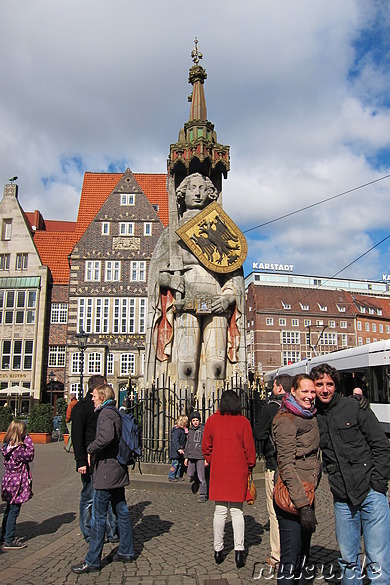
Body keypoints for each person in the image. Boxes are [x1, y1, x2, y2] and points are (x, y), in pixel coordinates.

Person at [146, 172, 246, 392]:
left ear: (211, 193)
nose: (198, 193)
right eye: (193, 188)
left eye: (203, 188)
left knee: (217, 366)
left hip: (216, 302)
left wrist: (228, 297)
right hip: (186, 303)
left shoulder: (220, 229)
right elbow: (156, 274)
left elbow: (233, 274)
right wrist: (170, 280)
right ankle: (181, 416)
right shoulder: (171, 234)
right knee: (186, 366)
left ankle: (214, 412)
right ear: (182, 193)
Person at [311, 363, 390, 584]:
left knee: (379, 561)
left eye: (329, 384)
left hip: (371, 493)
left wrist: (378, 484)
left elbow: (381, 445)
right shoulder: (312, 416)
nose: (325, 389)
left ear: (336, 386)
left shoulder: (354, 407)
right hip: (342, 499)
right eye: (320, 384)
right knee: (348, 560)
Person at [71, 384, 134, 574]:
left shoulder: (106, 413)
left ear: (103, 396)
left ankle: (92, 560)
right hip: (117, 470)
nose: (92, 399)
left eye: (94, 396)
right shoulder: (115, 411)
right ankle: (126, 551)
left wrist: (90, 449)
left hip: (106, 471)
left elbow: (106, 437)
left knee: (98, 516)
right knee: (121, 510)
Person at [272, 374, 321, 583]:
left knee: (303, 556)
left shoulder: (309, 414)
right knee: (291, 559)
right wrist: (303, 506)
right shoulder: (285, 420)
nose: (310, 396)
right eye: (305, 391)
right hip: (293, 497)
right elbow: (286, 466)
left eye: (312, 391)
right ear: (293, 391)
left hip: (307, 492)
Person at [202, 390, 256, 568]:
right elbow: (249, 448)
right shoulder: (243, 422)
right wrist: (249, 464)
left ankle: (218, 550)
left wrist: (211, 459)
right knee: (237, 512)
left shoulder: (212, 420)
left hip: (219, 469)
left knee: (219, 511)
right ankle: (239, 551)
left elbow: (206, 446)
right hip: (238, 469)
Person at [71, 374, 117, 543]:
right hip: (89, 461)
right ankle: (88, 531)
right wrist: (81, 461)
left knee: (105, 496)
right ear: (97, 388)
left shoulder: (102, 407)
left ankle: (110, 531)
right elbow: (77, 436)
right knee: (89, 497)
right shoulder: (81, 407)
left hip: (103, 460)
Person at [253, 374, 292, 570]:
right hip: (296, 466)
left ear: (278, 388)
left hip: (275, 464)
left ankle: (278, 555)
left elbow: (258, 433)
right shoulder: (301, 406)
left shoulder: (271, 407)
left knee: (276, 509)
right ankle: (295, 551)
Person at [1, 420, 34, 550]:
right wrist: (29, 441)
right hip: (17, 482)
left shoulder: (7, 446)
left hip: (8, 481)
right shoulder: (18, 449)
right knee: (14, 510)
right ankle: (9, 538)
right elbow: (30, 455)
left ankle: (4, 535)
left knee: (9, 509)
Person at [184, 410, 207, 502]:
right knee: (190, 473)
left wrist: (206, 458)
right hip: (191, 456)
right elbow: (187, 444)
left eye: (197, 420)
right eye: (193, 420)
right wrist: (186, 457)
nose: (195, 422)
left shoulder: (203, 430)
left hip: (200, 456)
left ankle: (203, 494)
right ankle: (196, 481)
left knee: (202, 476)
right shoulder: (190, 431)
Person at [168, 414, 188, 482]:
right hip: (176, 451)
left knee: (180, 464)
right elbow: (175, 441)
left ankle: (178, 475)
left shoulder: (182, 431)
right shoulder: (177, 431)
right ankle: (171, 475)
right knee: (175, 464)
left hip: (180, 451)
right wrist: (179, 448)